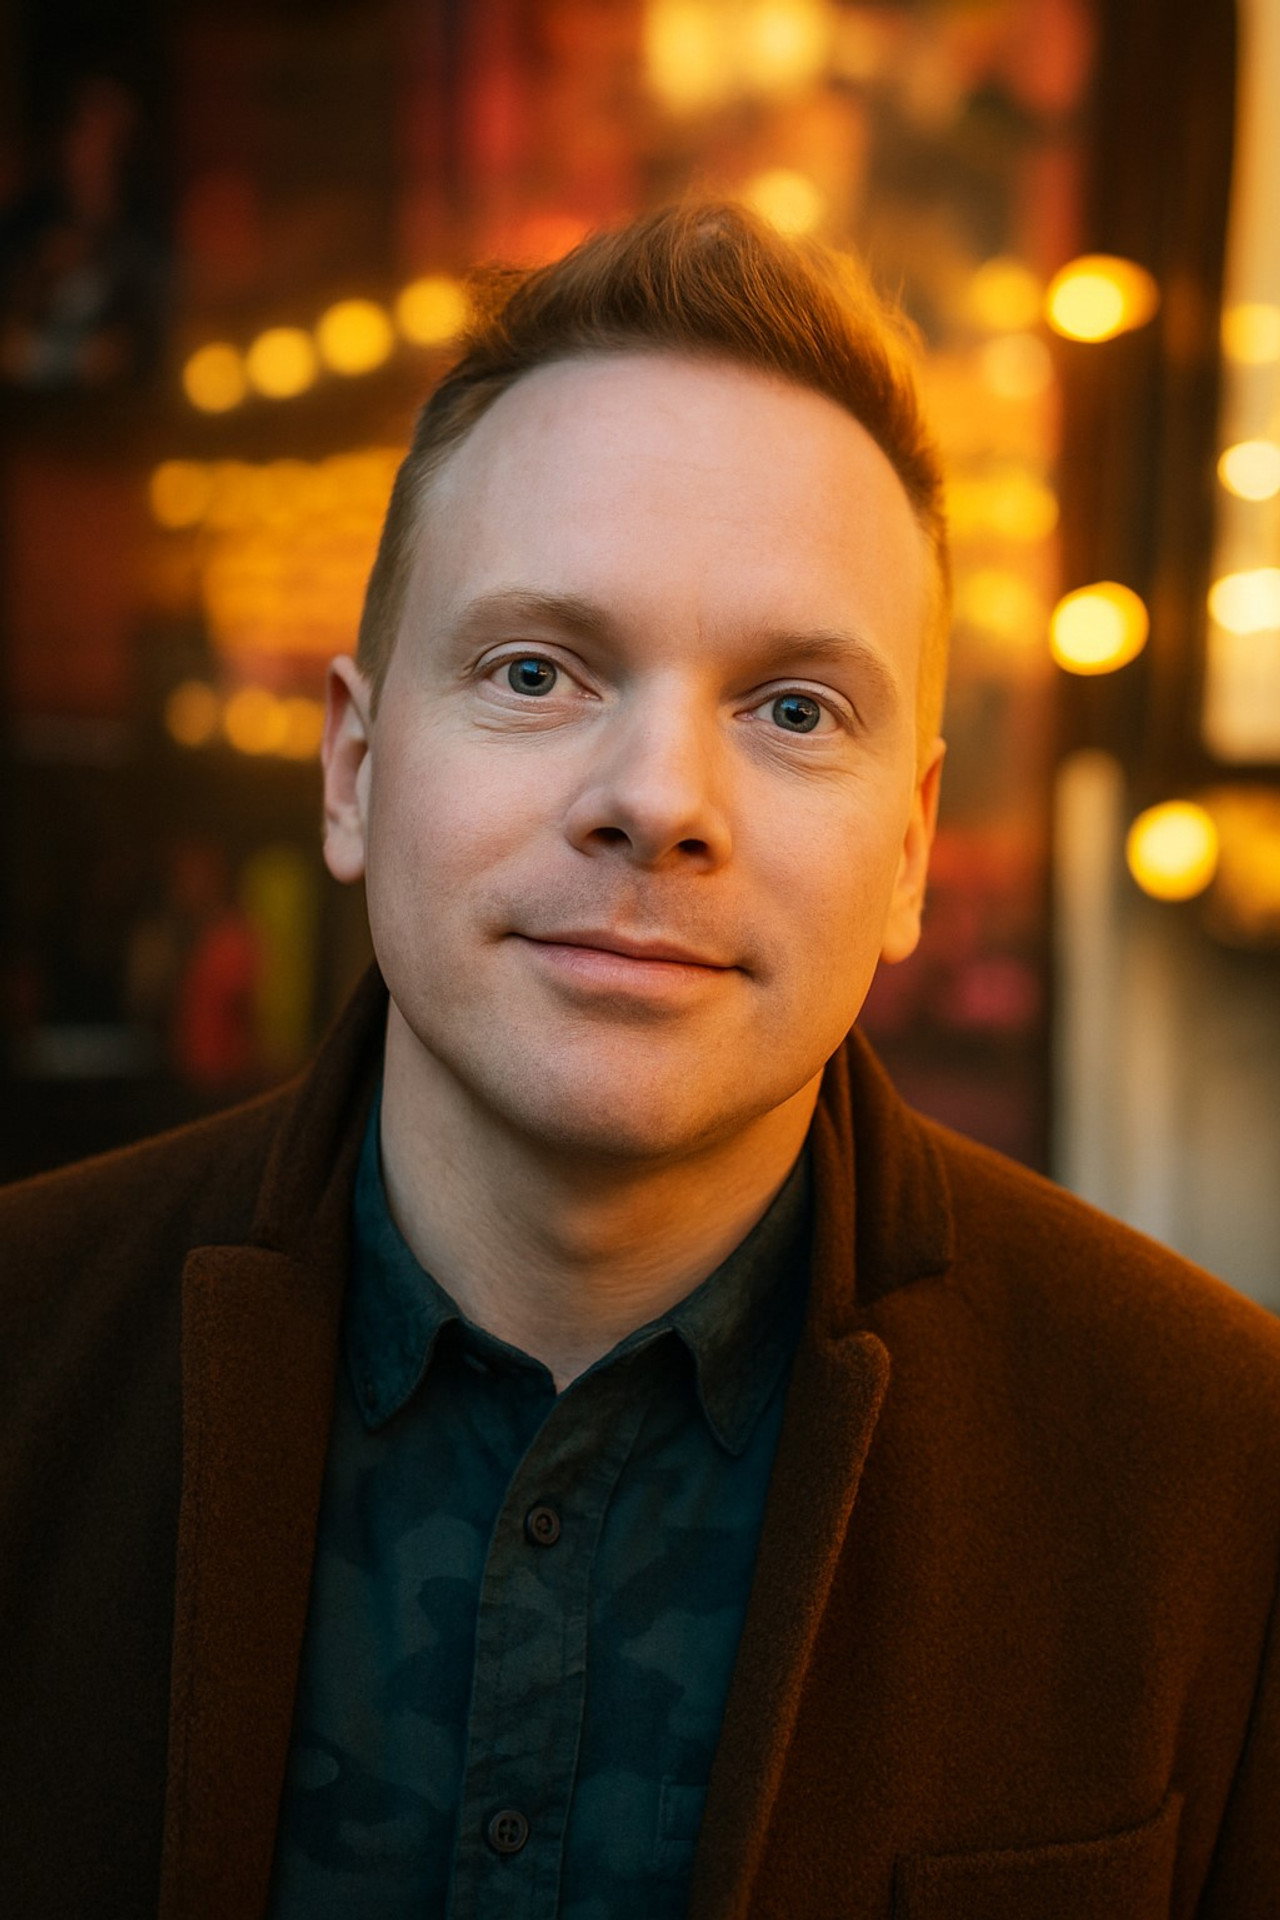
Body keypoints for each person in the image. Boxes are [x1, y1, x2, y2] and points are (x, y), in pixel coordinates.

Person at [2, 201, 1277, 1920]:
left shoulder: (1220, 1470)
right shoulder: (24, 1347)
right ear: (353, 769)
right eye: (537, 671)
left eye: (794, 709)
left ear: (910, 849)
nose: (660, 800)